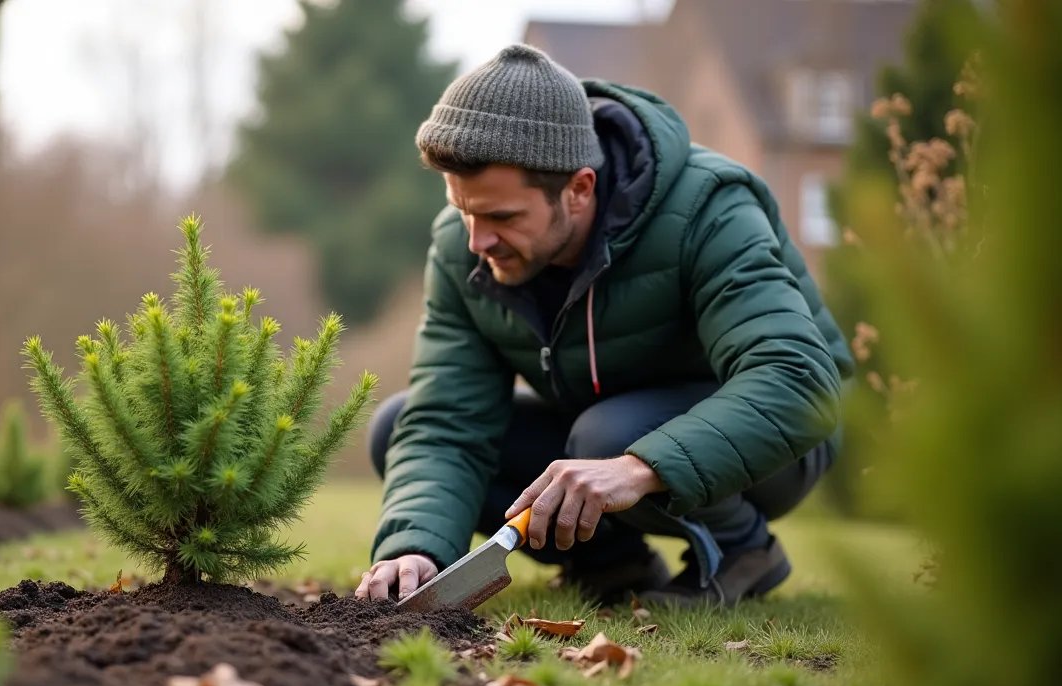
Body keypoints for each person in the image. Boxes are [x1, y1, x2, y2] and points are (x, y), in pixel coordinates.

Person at [354, 44, 853, 608]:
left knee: (605, 437)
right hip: (595, 431)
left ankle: (740, 549)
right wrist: (417, 547)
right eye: (464, 210)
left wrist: (638, 468)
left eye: (502, 217)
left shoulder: (710, 208)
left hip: (776, 444)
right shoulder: (461, 249)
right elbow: (449, 418)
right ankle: (612, 564)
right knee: (398, 426)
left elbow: (798, 381)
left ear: (580, 189)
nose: (477, 240)